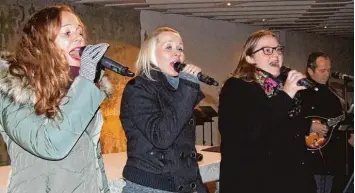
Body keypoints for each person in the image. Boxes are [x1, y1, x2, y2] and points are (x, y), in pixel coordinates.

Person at [0, 5, 112, 193]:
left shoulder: (83, 90)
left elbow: (94, 159)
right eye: (67, 33)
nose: (78, 37)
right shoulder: (14, 90)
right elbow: (51, 144)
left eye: (80, 32)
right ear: (41, 43)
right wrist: (85, 81)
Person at [218, 30, 316, 193]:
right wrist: (286, 95)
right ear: (249, 58)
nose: (276, 55)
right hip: (256, 182)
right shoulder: (236, 87)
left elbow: (291, 133)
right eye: (267, 50)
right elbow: (251, 132)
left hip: (293, 180)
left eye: (278, 49)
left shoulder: (283, 89)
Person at [119, 27, 208, 193]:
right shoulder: (138, 89)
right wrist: (187, 88)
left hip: (183, 183)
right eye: (169, 47)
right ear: (151, 54)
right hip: (151, 186)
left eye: (180, 48)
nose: (177, 53)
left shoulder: (179, 90)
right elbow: (161, 137)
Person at [300, 51, 352, 193]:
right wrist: (311, 125)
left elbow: (338, 124)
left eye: (329, 70)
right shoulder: (301, 93)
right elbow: (290, 119)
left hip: (332, 157)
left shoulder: (333, 95)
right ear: (310, 71)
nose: (327, 74)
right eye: (322, 70)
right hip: (312, 158)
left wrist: (348, 137)